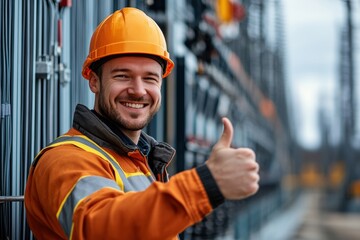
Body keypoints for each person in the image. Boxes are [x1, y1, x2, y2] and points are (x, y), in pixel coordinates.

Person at [24, 7, 259, 240]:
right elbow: (100, 229)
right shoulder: (65, 159)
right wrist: (206, 184)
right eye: (122, 76)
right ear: (94, 82)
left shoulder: (139, 162)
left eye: (150, 78)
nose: (138, 91)